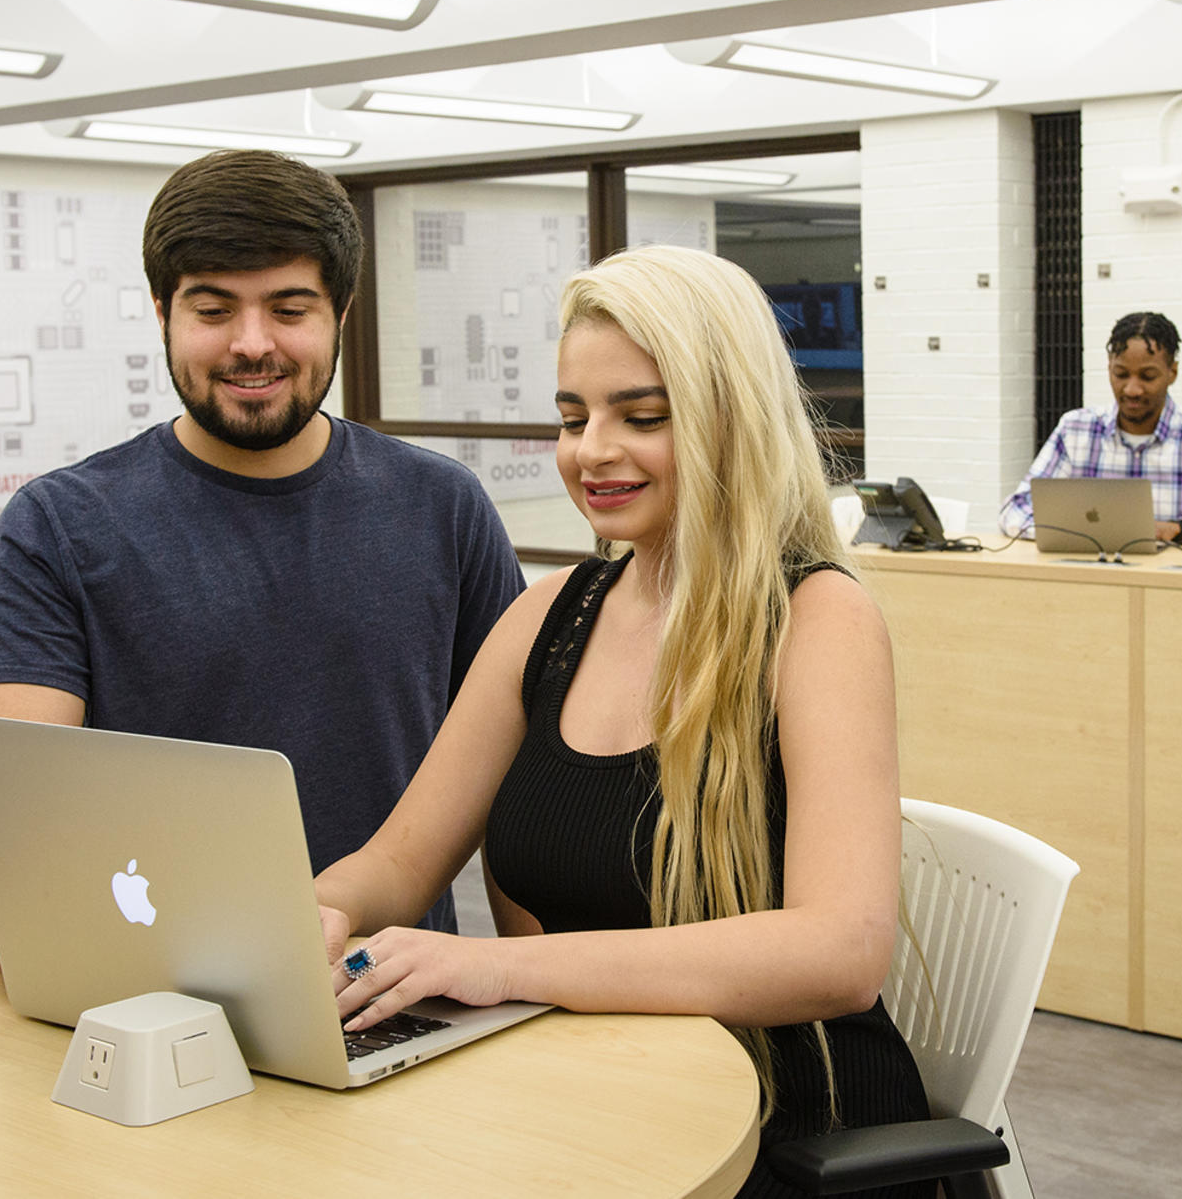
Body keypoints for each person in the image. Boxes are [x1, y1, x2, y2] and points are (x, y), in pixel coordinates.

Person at [313, 246, 930, 1199]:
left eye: (640, 416)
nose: (590, 450)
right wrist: (312, 915)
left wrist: (502, 969)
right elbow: (401, 862)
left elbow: (839, 951)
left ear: (731, 421)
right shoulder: (551, 615)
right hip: (593, 1097)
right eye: (572, 417)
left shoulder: (817, 619)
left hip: (785, 1125)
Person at [0, 150, 525, 964]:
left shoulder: (443, 507)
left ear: (342, 312)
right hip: (145, 989)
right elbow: (9, 787)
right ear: (162, 314)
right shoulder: (59, 525)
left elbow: (515, 776)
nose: (253, 345)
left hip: (390, 988)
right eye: (214, 310)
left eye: (289, 308)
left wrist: (538, 990)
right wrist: (7, 890)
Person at [1001, 311, 1182, 545]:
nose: (1132, 389)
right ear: (1108, 369)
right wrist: (1075, 532)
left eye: (1148, 377)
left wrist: (1181, 530)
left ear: (1173, 372)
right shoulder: (1076, 430)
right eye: (1121, 374)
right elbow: (1016, 512)